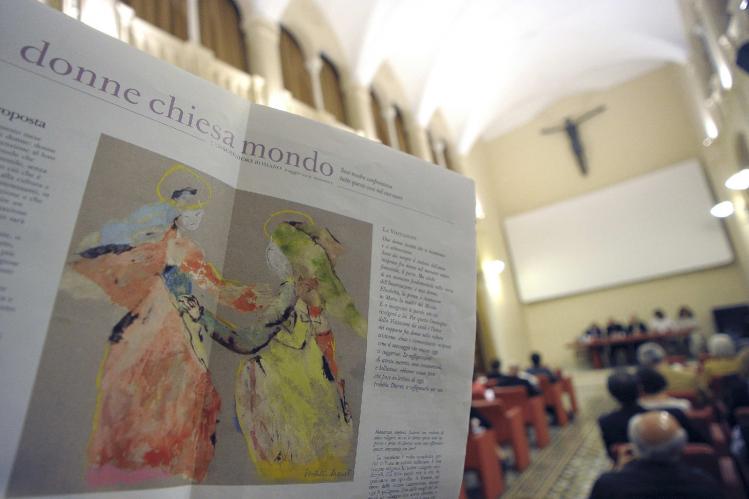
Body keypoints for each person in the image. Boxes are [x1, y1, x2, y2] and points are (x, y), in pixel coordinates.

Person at [67, 165, 290, 485]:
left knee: (178, 402)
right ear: (174, 208)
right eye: (190, 208)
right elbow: (212, 287)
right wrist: (255, 298)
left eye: (200, 209)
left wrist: (256, 297)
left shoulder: (183, 247)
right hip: (157, 330)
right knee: (160, 399)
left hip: (173, 328)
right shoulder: (162, 244)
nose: (198, 215)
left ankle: (155, 468)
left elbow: (214, 286)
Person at [228, 216, 368, 481]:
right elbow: (266, 334)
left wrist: (315, 311)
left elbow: (325, 346)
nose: (323, 272)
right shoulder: (285, 299)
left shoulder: (313, 302)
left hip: (314, 377)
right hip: (284, 381)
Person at [589, 411, 723, 499]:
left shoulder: (608, 486)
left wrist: (619, 471)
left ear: (635, 446)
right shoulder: (704, 484)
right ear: (682, 446)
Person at [598, 371, 704, 459]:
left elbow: (612, 455)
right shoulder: (672, 414)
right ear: (640, 389)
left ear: (612, 395)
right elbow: (700, 444)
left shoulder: (606, 422)